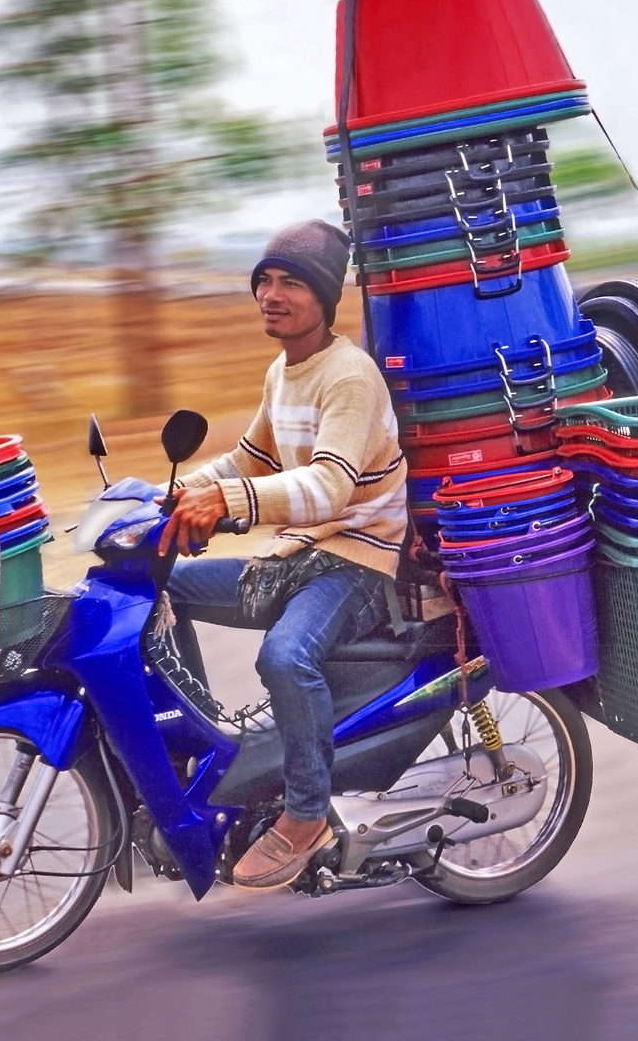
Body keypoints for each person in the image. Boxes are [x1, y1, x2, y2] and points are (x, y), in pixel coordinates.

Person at [159, 219, 409, 890]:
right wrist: (177, 492)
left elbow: (329, 487)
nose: (271, 294)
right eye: (263, 281)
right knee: (165, 588)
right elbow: (254, 458)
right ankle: (202, 742)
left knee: (285, 656)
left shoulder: (349, 378)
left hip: (357, 558)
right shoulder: (285, 371)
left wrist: (229, 503)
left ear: (324, 297)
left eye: (290, 281)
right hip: (301, 552)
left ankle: (306, 816)